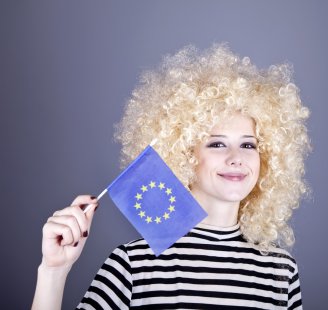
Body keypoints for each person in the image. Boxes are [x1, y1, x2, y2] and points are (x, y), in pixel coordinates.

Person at [32, 43, 310, 309]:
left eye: (248, 144)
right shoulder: (133, 264)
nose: (236, 157)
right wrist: (54, 272)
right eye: (217, 143)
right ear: (183, 155)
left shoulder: (280, 270)